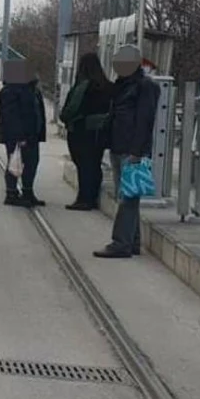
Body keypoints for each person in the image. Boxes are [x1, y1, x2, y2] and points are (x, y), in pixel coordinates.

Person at [95, 44, 160, 259]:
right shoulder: (122, 84)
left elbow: (145, 120)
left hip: (132, 149)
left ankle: (120, 243)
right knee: (128, 195)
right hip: (118, 145)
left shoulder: (145, 86)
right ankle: (133, 241)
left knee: (128, 198)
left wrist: (137, 151)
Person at [59, 53, 113, 210]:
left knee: (83, 165)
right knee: (95, 164)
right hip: (100, 132)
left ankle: (84, 199)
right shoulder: (108, 86)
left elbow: (72, 108)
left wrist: (64, 118)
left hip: (81, 131)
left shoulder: (83, 86)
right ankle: (93, 197)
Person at [0, 58, 46, 207]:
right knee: (16, 162)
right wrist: (19, 136)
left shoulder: (31, 90)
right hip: (18, 136)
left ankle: (27, 192)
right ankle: (11, 193)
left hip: (31, 134)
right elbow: (11, 116)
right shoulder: (10, 91)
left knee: (31, 163)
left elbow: (36, 112)